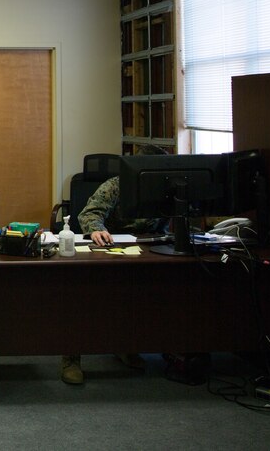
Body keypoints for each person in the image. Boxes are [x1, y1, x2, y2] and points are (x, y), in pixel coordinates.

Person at [60, 154, 170, 385]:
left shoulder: (166, 187)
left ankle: (129, 346)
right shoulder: (116, 185)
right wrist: (95, 229)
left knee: (155, 294)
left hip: (148, 250)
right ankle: (71, 357)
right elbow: (90, 213)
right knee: (84, 297)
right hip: (108, 248)